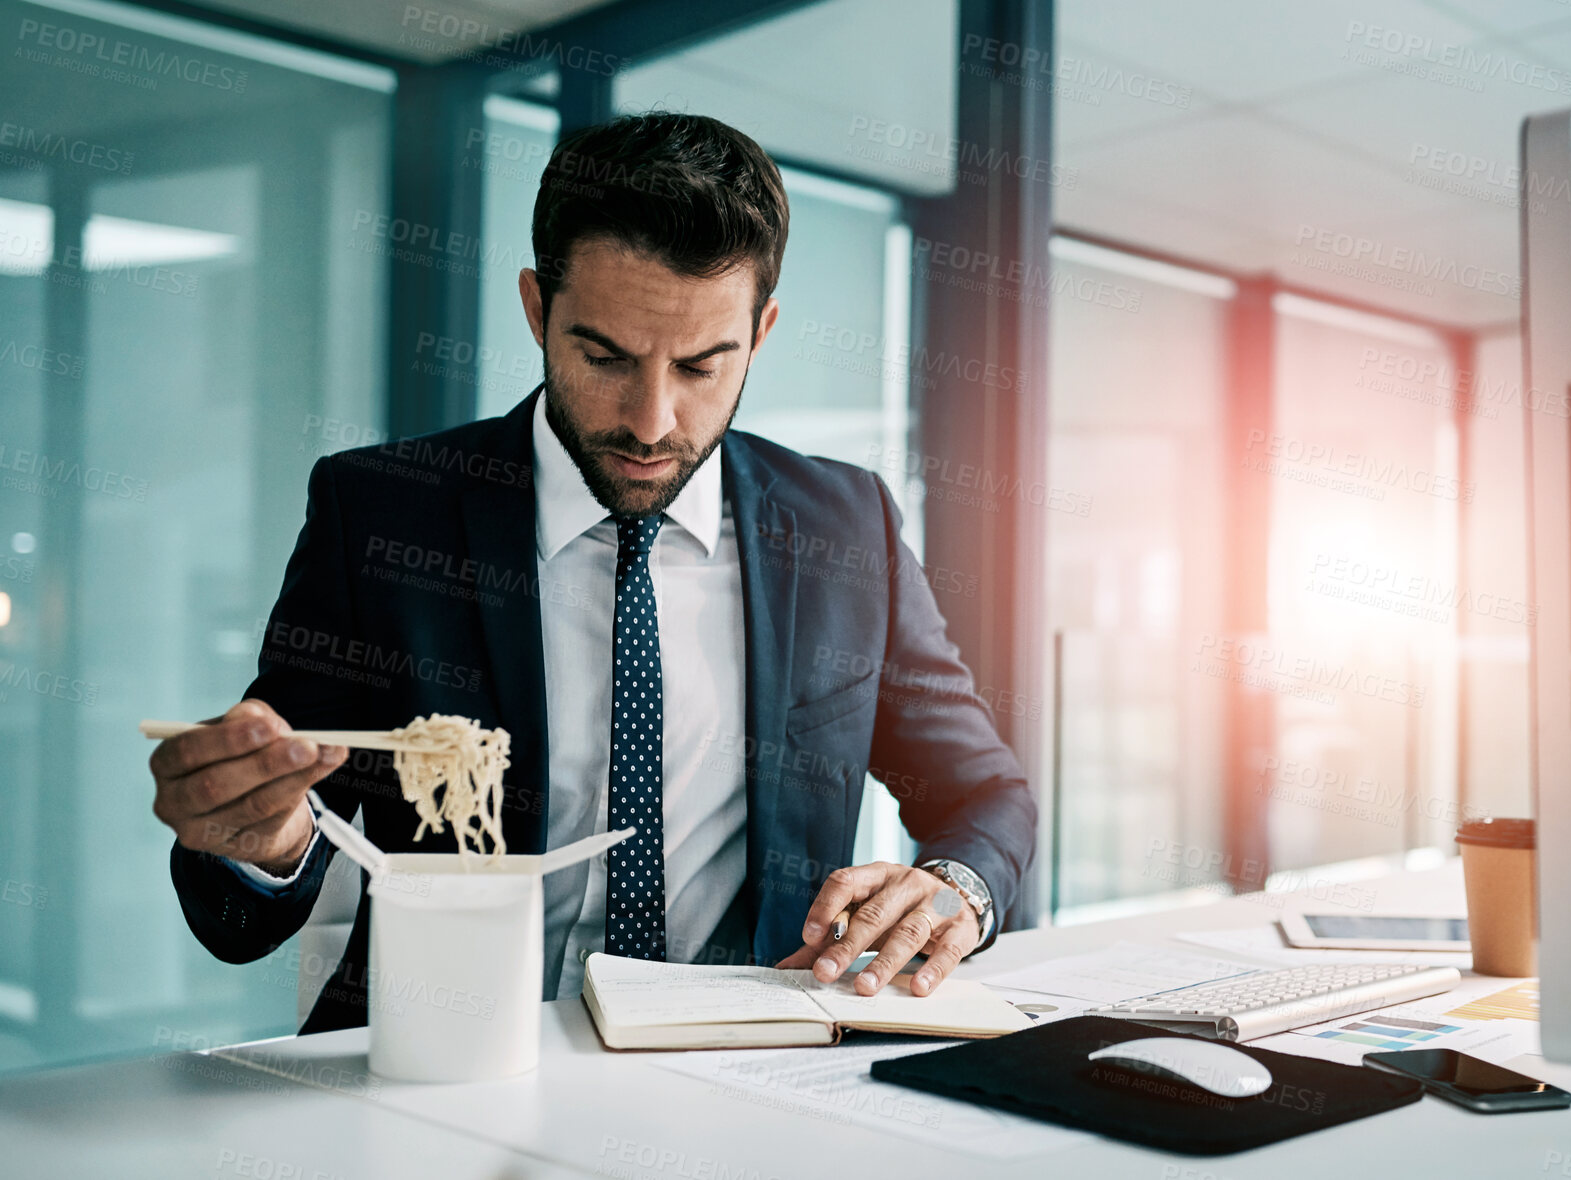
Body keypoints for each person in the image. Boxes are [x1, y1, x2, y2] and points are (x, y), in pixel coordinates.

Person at [149, 112, 1037, 1033]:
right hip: (443, 1058)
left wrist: (953, 890)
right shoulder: (379, 512)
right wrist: (261, 840)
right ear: (537, 309)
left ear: (761, 333)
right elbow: (252, 884)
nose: (652, 422)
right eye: (604, 356)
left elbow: (986, 794)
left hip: (749, 1064)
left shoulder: (848, 526)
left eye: (701, 366)